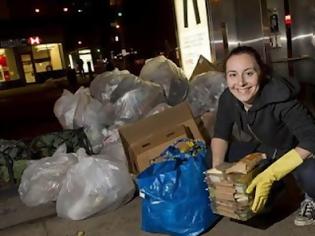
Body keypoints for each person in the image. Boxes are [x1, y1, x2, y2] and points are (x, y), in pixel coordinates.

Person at [211, 46, 315, 226]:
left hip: (299, 151)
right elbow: (220, 134)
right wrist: (217, 171)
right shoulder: (228, 98)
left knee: (310, 173)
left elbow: (311, 139)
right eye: (233, 74)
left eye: (249, 73)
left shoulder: (280, 96)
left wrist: (270, 175)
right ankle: (264, 196)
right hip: (269, 149)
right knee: (214, 157)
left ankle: (311, 197)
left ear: (261, 73)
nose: (240, 83)